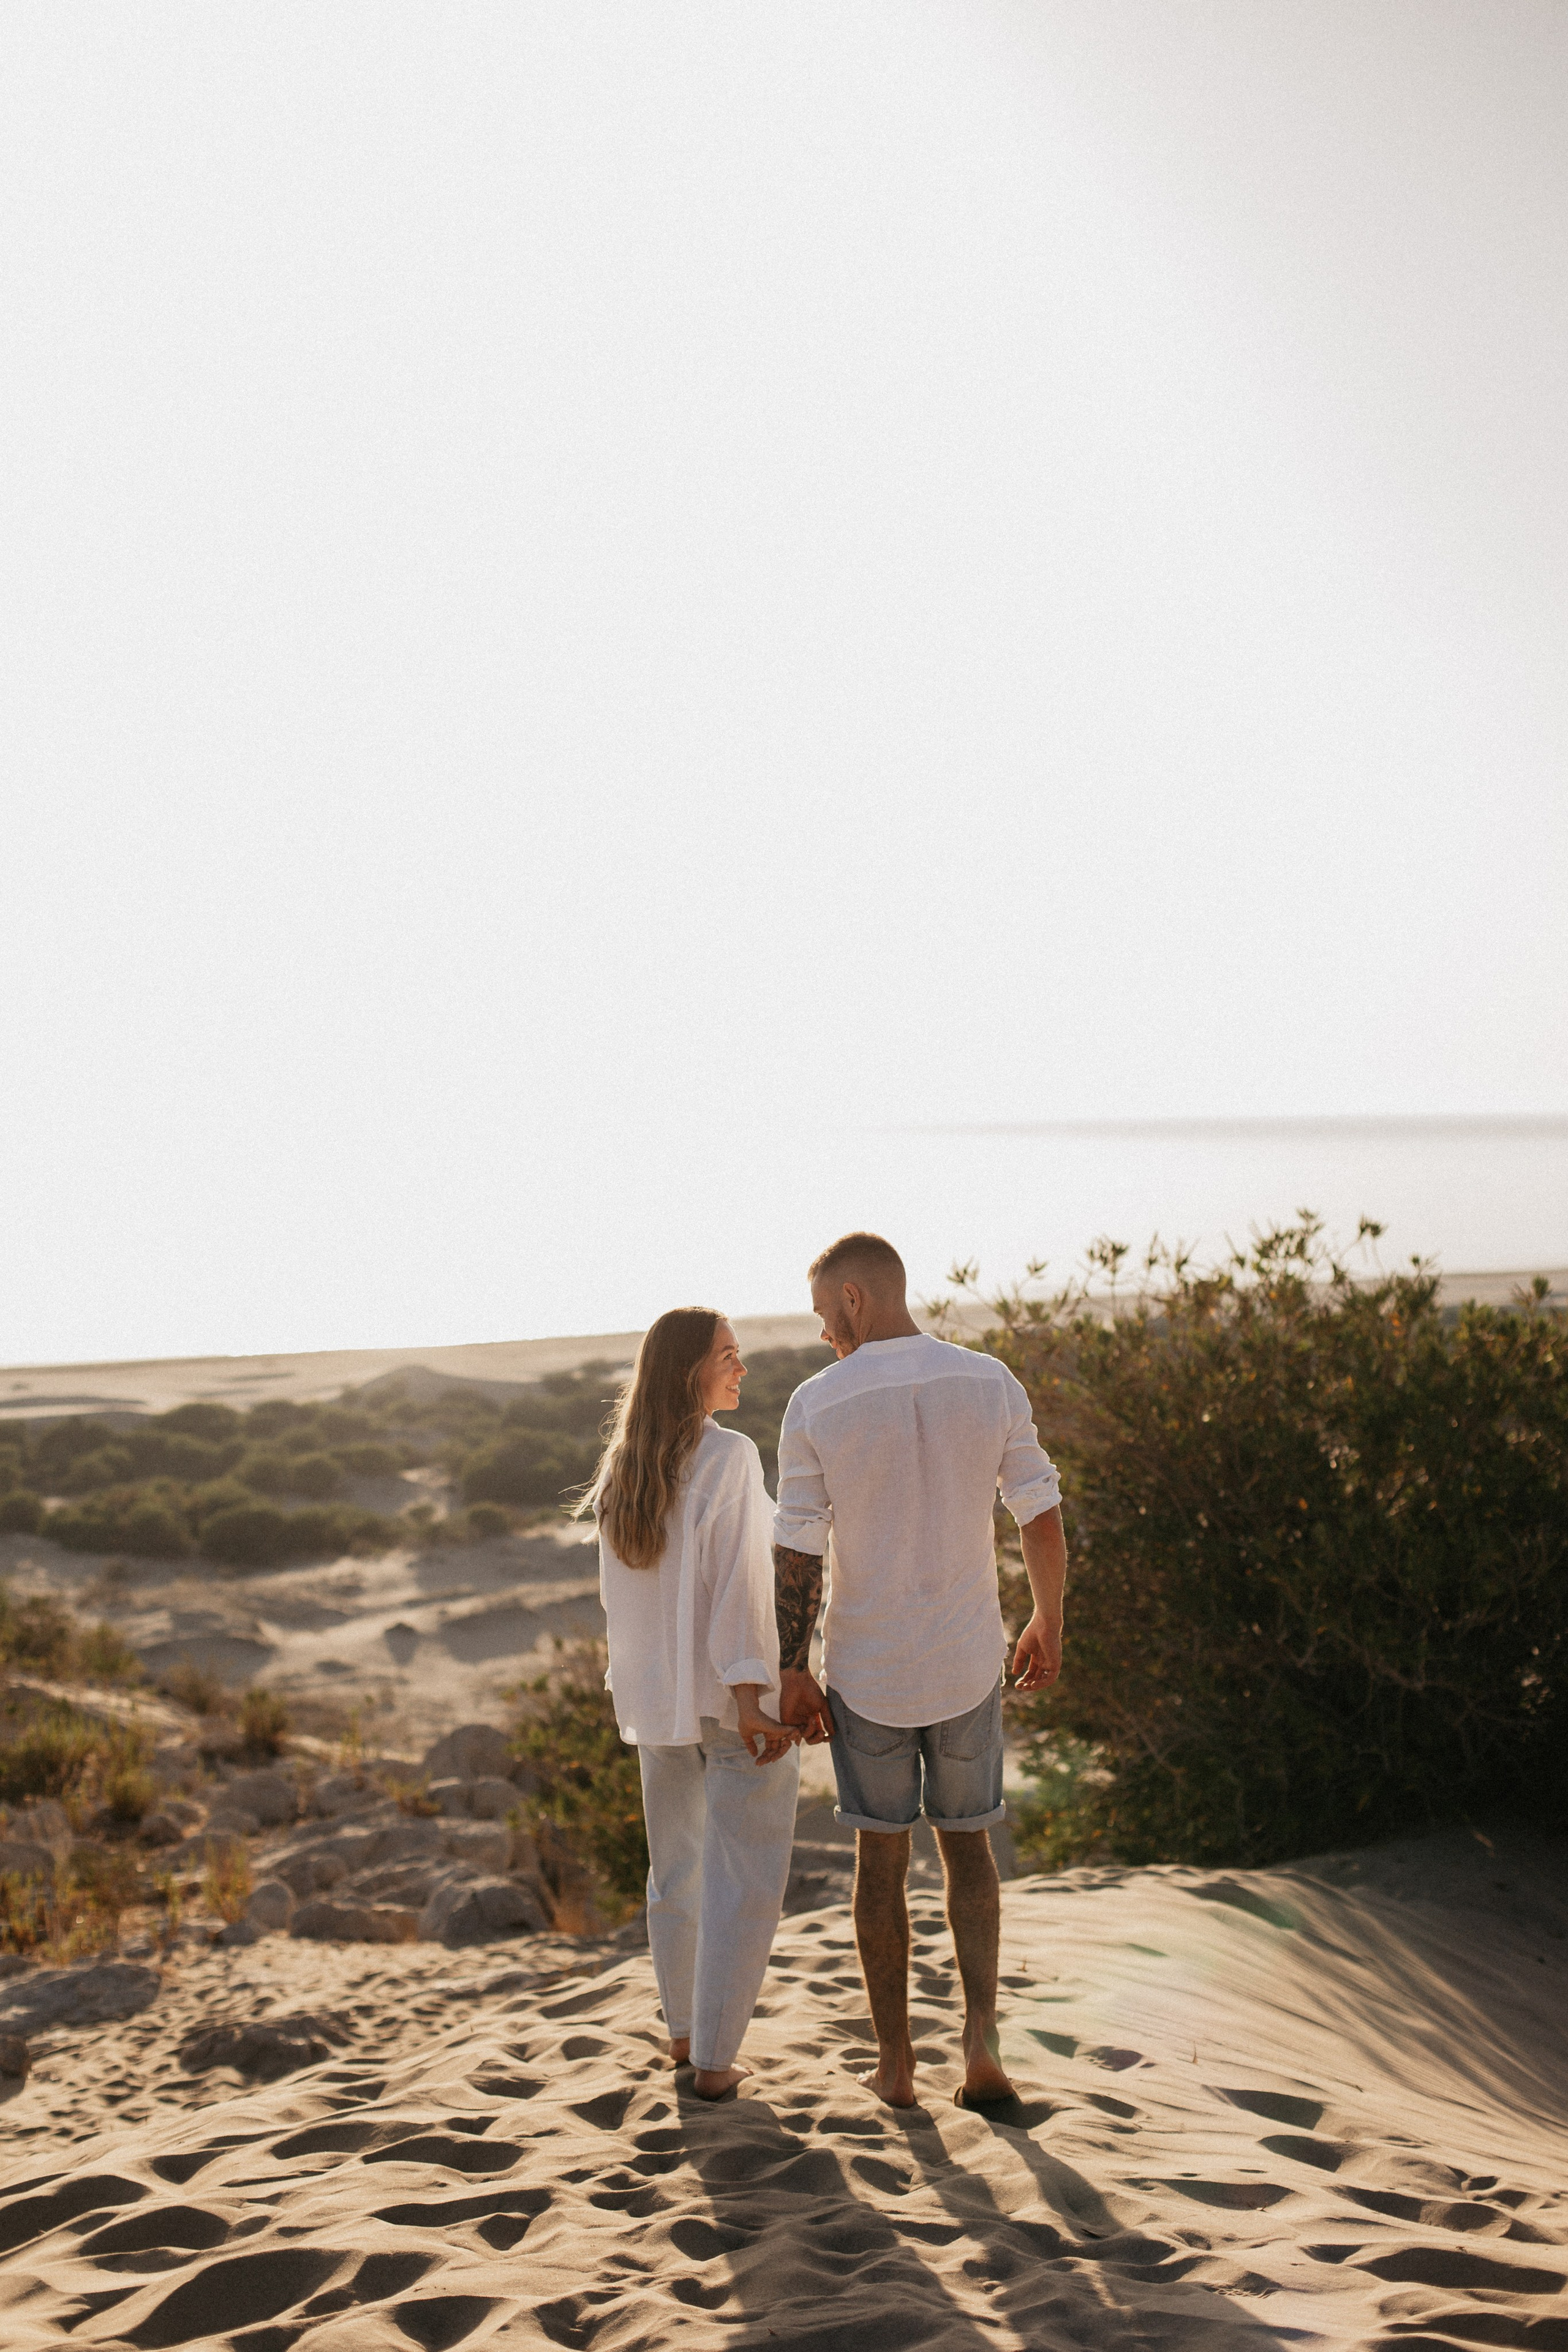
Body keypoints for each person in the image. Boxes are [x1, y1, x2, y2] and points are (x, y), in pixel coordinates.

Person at [772, 1232, 1067, 2111]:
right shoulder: (989, 1380)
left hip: (868, 1670)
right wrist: (1048, 1622)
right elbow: (1041, 1514)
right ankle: (980, 2044)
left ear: (856, 1299)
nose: (827, 1334)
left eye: (828, 1316)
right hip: (970, 1659)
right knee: (970, 1846)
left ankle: (896, 2063)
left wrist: (792, 1667)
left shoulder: (817, 1403)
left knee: (881, 1862)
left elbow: (797, 1551)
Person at [581, 1306, 799, 2100]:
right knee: (745, 1879)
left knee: (675, 1872)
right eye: (729, 1357)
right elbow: (740, 1586)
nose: (742, 1370)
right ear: (689, 1372)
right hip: (728, 1698)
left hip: (657, 1702)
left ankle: (682, 2036)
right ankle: (714, 2063)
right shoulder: (729, 1457)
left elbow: (622, 1603)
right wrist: (751, 1695)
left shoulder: (620, 1472)